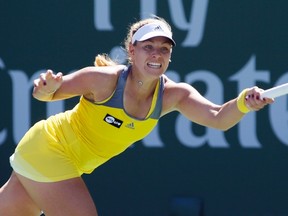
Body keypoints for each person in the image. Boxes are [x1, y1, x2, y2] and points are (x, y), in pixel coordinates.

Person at [0, 16, 273, 216]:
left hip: (56, 158)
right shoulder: (102, 80)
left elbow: (217, 117)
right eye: (148, 47)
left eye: (164, 49)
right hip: (49, 149)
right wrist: (45, 88)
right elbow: (46, 95)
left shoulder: (174, 95)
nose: (156, 54)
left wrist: (244, 103)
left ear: (170, 56)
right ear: (132, 50)